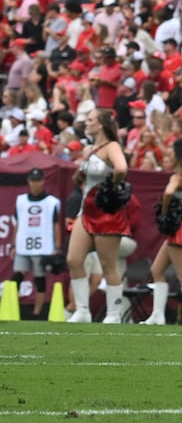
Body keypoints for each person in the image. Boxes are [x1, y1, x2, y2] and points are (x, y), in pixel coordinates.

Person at [66, 109, 131, 323]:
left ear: (101, 124)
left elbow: (122, 167)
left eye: (91, 119)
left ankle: (114, 314)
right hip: (86, 210)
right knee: (74, 259)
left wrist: (113, 185)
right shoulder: (89, 148)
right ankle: (82, 310)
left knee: (108, 264)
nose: (87, 122)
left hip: (106, 212)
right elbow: (82, 177)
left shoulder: (112, 146)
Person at [144, 140, 182, 326]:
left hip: (178, 227)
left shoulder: (177, 177)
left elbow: (168, 193)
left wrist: (164, 210)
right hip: (181, 226)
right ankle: (157, 315)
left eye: (172, 152)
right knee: (157, 270)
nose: (169, 154)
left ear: (178, 156)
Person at [12, 168, 63, 319]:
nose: (35, 184)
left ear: (43, 181)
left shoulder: (50, 202)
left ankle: (36, 313)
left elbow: (56, 225)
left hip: (42, 246)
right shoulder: (21, 200)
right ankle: (12, 307)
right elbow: (17, 223)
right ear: (28, 181)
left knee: (40, 280)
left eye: (38, 180)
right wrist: (14, 245)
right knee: (16, 277)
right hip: (23, 246)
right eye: (33, 180)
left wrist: (57, 246)